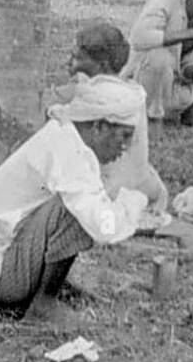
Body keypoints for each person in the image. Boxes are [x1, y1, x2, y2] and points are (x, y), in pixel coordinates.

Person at [0, 75, 150, 324]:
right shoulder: (67, 149)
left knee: (79, 205)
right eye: (123, 137)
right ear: (99, 127)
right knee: (72, 210)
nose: (125, 147)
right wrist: (133, 202)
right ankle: (44, 304)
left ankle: (49, 288)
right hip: (0, 274)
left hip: (5, 258)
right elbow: (104, 227)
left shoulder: (68, 137)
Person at [52, 20, 168, 222]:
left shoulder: (93, 93)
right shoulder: (132, 90)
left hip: (110, 186)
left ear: (101, 65)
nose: (69, 63)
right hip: (145, 184)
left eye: (77, 58)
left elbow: (53, 114)